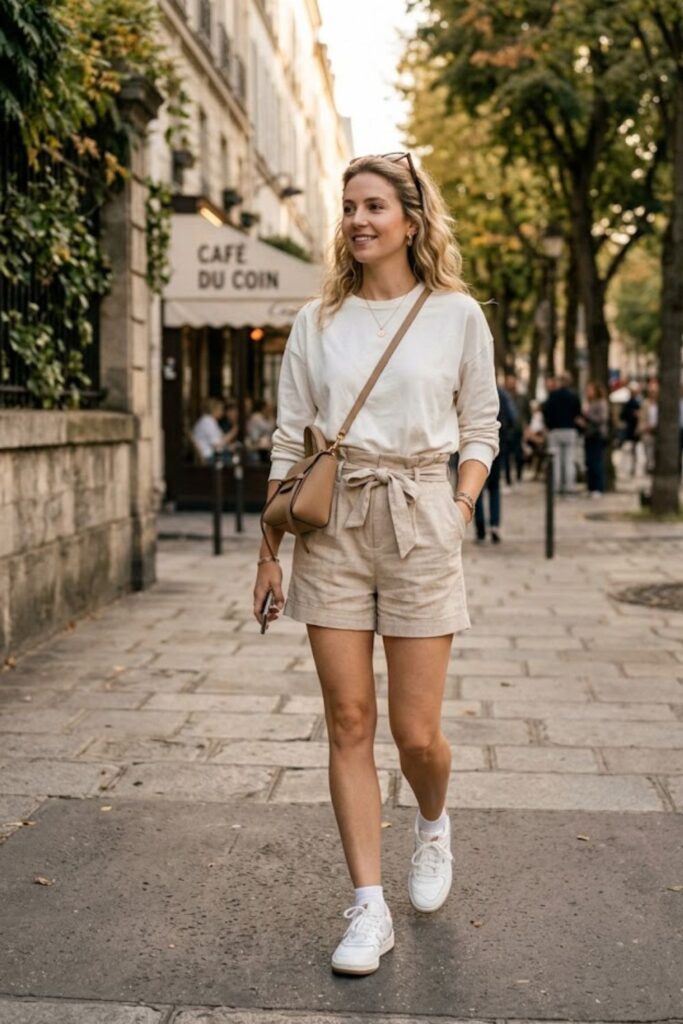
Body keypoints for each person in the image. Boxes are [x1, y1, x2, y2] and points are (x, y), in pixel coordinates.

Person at [252, 153, 499, 976]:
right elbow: (289, 441)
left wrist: (458, 506)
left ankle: (432, 826)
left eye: (374, 207)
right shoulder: (314, 321)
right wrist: (268, 552)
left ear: (412, 219)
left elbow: (481, 426)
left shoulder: (456, 314)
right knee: (349, 720)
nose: (358, 220)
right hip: (333, 526)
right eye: (349, 207)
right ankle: (366, 906)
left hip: (421, 517)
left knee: (414, 731)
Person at [474, 385, 510, 543]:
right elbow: (511, 419)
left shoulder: (472, 391)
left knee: (477, 489)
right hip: (495, 445)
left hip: (474, 448)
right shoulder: (501, 394)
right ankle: (494, 525)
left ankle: (481, 529)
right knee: (494, 488)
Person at [541, 371, 582, 494]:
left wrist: (549, 424)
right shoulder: (574, 396)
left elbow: (545, 411)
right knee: (569, 460)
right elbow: (577, 413)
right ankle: (569, 487)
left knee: (556, 461)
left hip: (555, 430)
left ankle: (556, 487)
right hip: (570, 430)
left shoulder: (552, 396)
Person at [578, 381, 609, 496]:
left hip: (597, 435)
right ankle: (591, 488)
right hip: (589, 434)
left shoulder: (601, 403)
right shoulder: (590, 403)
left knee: (596, 461)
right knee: (589, 462)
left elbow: (602, 418)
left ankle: (598, 488)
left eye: (590, 390)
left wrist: (587, 416)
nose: (588, 392)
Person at [502, 373, 529, 483]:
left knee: (519, 454)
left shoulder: (522, 398)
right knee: (507, 456)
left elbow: (527, 414)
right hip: (506, 430)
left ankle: (519, 476)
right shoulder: (503, 397)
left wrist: (526, 427)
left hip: (518, 430)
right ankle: (508, 479)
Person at [190, 397, 226, 462]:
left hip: (212, 456)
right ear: (214, 409)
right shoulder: (207, 421)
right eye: (221, 409)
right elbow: (217, 445)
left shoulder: (209, 420)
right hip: (209, 457)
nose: (222, 412)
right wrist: (234, 431)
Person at [246, 399, 276, 464]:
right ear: (263, 408)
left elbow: (272, 434)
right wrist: (261, 441)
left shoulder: (272, 419)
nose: (270, 409)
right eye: (268, 407)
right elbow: (254, 437)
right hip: (255, 446)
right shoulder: (256, 418)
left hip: (268, 447)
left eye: (271, 408)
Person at [639, 378, 658, 474]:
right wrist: (645, 427)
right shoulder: (645, 403)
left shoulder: (661, 403)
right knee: (649, 456)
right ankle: (650, 470)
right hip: (648, 432)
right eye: (651, 391)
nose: (653, 393)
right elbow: (641, 418)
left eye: (654, 391)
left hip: (659, 432)